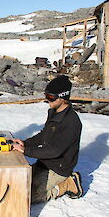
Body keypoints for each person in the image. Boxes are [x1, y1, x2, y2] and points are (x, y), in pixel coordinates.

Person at [12, 75, 83, 204]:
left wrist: (26, 150)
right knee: (16, 184)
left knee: (24, 199)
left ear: (63, 98)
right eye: (47, 96)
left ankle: (68, 184)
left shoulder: (71, 122)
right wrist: (25, 143)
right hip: (45, 162)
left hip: (58, 169)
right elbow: (44, 135)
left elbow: (55, 151)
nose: (48, 101)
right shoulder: (54, 112)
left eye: (51, 98)